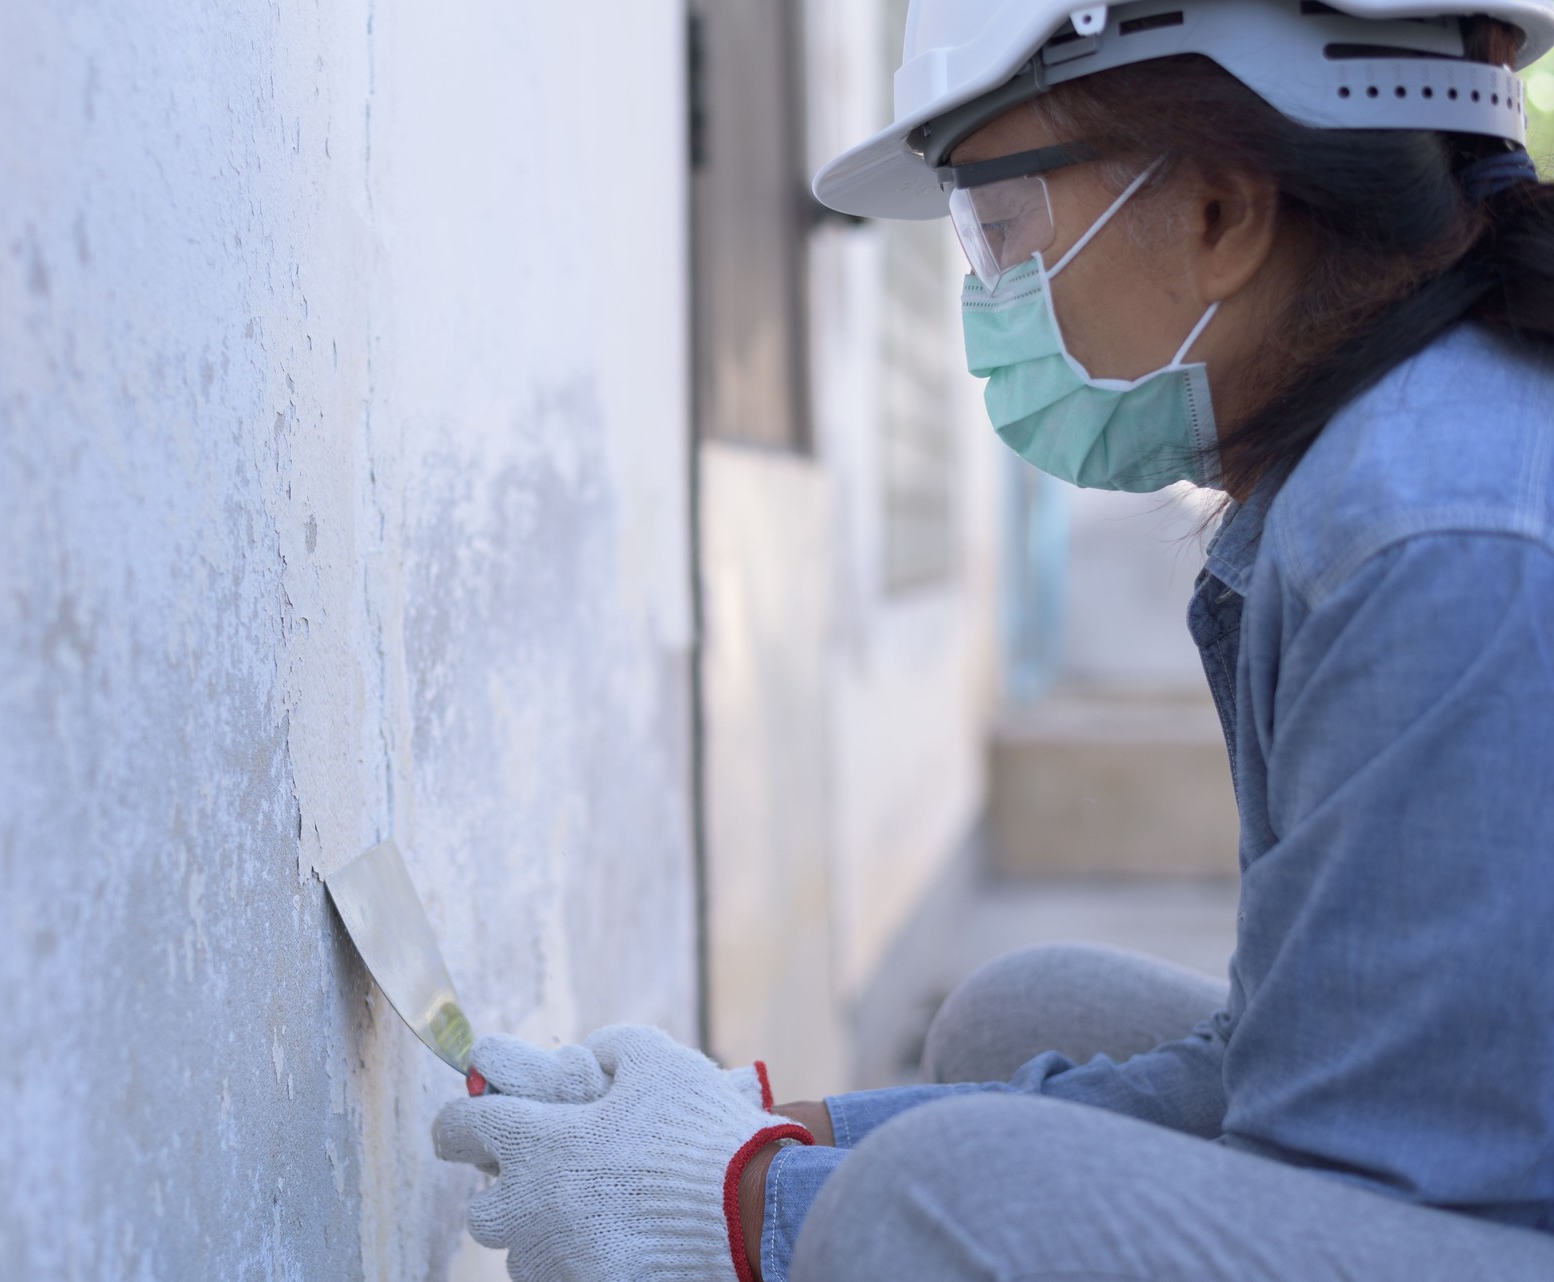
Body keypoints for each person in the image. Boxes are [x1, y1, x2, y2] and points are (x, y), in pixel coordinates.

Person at [431, 0, 1554, 1276]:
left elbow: (1405, 1185)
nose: (987, 302)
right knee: (1019, 1017)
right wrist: (775, 1134)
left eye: (999, 228)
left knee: (931, 1204)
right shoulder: (1385, 462)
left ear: (1219, 215)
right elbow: (1320, 1065)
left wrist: (740, 1208)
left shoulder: (1431, 535)